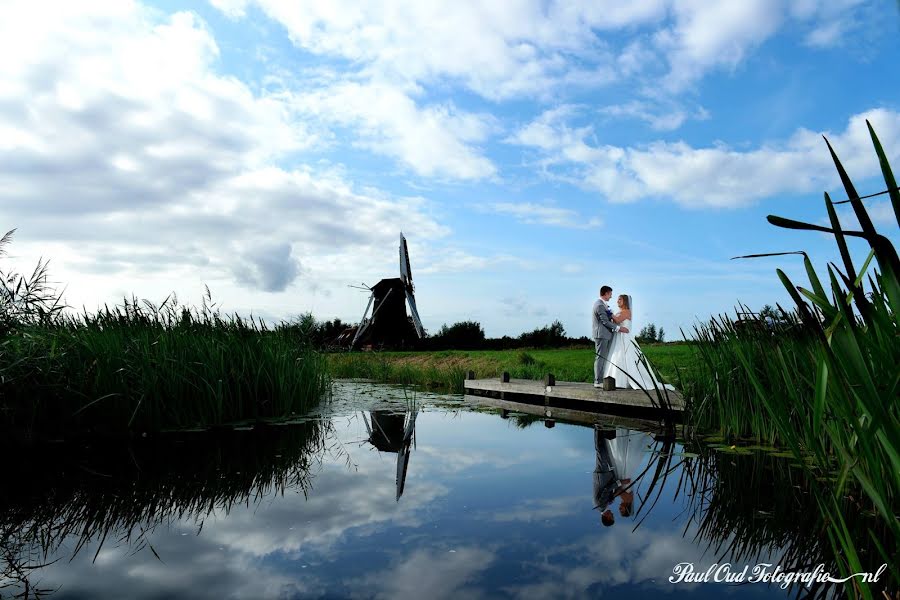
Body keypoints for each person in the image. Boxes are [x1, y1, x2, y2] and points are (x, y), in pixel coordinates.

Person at [602, 294, 673, 390]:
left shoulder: (627, 312)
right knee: (616, 356)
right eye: (617, 299)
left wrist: (608, 312)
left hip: (624, 338)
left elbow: (617, 320)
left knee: (625, 357)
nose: (617, 301)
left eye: (620, 299)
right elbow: (615, 322)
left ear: (625, 301)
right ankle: (617, 380)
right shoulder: (620, 312)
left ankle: (623, 381)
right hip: (619, 336)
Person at [592, 286, 628, 389]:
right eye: (610, 294)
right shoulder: (599, 305)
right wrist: (619, 329)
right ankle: (597, 381)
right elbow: (605, 322)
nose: (611, 296)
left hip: (605, 335)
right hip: (601, 335)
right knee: (600, 357)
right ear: (606, 293)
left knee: (602, 357)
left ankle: (600, 379)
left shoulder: (603, 305)